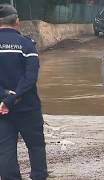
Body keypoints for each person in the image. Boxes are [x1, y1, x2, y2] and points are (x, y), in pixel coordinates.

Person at [0, 4, 48, 180]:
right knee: (36, 147)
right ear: (17, 21)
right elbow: (30, 78)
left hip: (2, 109)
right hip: (28, 107)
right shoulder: (27, 44)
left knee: (5, 151)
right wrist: (13, 97)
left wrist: (5, 97)